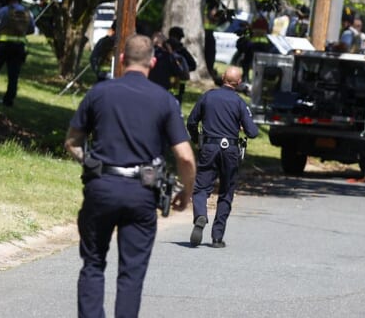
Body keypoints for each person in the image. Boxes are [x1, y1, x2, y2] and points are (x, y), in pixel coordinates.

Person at [64, 34, 196, 318]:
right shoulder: (164, 100)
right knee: (131, 273)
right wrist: (187, 191)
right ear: (153, 61)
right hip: (142, 193)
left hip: (101, 188)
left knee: (93, 263)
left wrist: (91, 163)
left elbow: (72, 142)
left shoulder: (99, 93)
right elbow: (185, 156)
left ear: (121, 59)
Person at [187, 66, 260, 248]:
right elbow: (252, 132)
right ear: (239, 82)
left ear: (222, 77)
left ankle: (200, 215)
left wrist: (197, 139)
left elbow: (191, 121)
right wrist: (241, 125)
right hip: (230, 151)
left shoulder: (208, 96)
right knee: (226, 191)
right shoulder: (239, 102)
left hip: (209, 147)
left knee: (201, 188)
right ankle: (217, 237)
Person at [167, 26, 197, 103]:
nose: (180, 40)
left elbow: (193, 65)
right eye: (179, 37)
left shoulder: (182, 51)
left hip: (178, 85)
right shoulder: (163, 49)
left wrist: (182, 70)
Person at [203, 0, 222, 85]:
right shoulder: (205, 13)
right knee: (209, 54)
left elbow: (215, 20)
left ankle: (210, 70)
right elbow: (211, 18)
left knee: (211, 55)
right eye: (215, 9)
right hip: (205, 35)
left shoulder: (209, 14)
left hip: (210, 34)